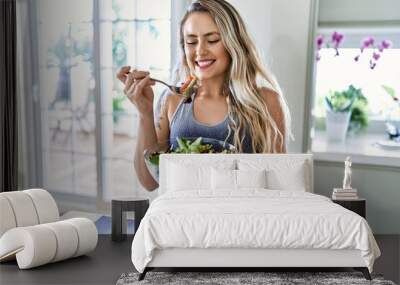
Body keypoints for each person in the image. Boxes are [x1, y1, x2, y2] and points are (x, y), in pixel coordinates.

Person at [117, 0, 291, 191]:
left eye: (213, 40)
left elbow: (277, 186)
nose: (200, 51)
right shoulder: (173, 100)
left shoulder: (266, 101)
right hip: (182, 216)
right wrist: (144, 113)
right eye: (191, 42)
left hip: (240, 216)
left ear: (234, 43)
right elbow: (150, 181)